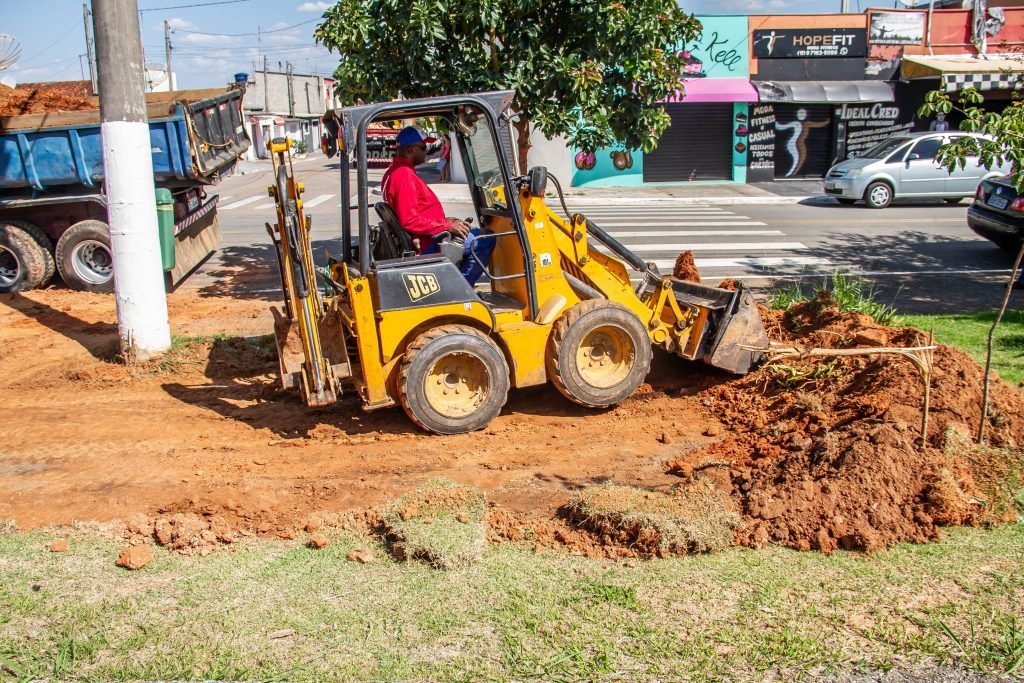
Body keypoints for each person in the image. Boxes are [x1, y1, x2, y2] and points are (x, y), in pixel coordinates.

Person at [381, 126, 495, 285]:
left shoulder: (397, 171)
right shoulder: (403, 176)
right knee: (484, 239)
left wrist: (445, 221)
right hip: (430, 242)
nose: (426, 151)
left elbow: (414, 212)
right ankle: (461, 290)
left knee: (475, 233)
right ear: (412, 149)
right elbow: (409, 220)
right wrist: (447, 226)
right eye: (424, 147)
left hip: (428, 236)